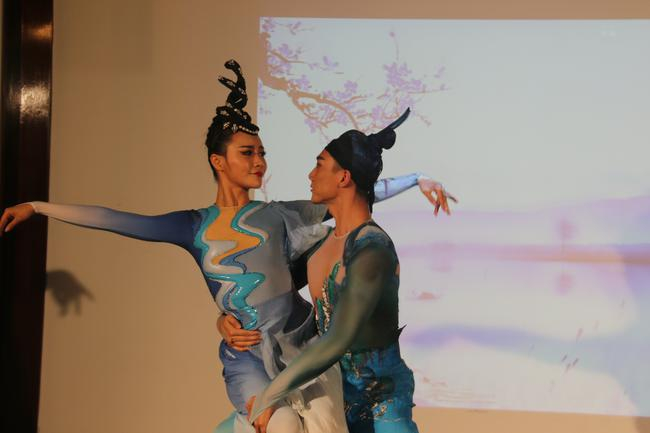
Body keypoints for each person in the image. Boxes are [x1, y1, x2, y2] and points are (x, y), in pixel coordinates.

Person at [1, 61, 453, 433]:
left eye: (262, 152)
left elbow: (356, 192)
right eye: (247, 153)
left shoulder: (280, 214)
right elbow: (117, 219)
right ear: (219, 161)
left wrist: (416, 179)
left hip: (300, 344)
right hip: (248, 355)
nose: (260, 162)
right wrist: (39, 206)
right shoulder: (192, 226)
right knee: (283, 427)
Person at [245, 109, 425, 432]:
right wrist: (225, 321)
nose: (310, 174)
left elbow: (338, 339)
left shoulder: (373, 249)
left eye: (319, 164)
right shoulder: (320, 243)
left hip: (381, 406)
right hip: (332, 400)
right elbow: (271, 297)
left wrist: (270, 395)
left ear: (344, 177)